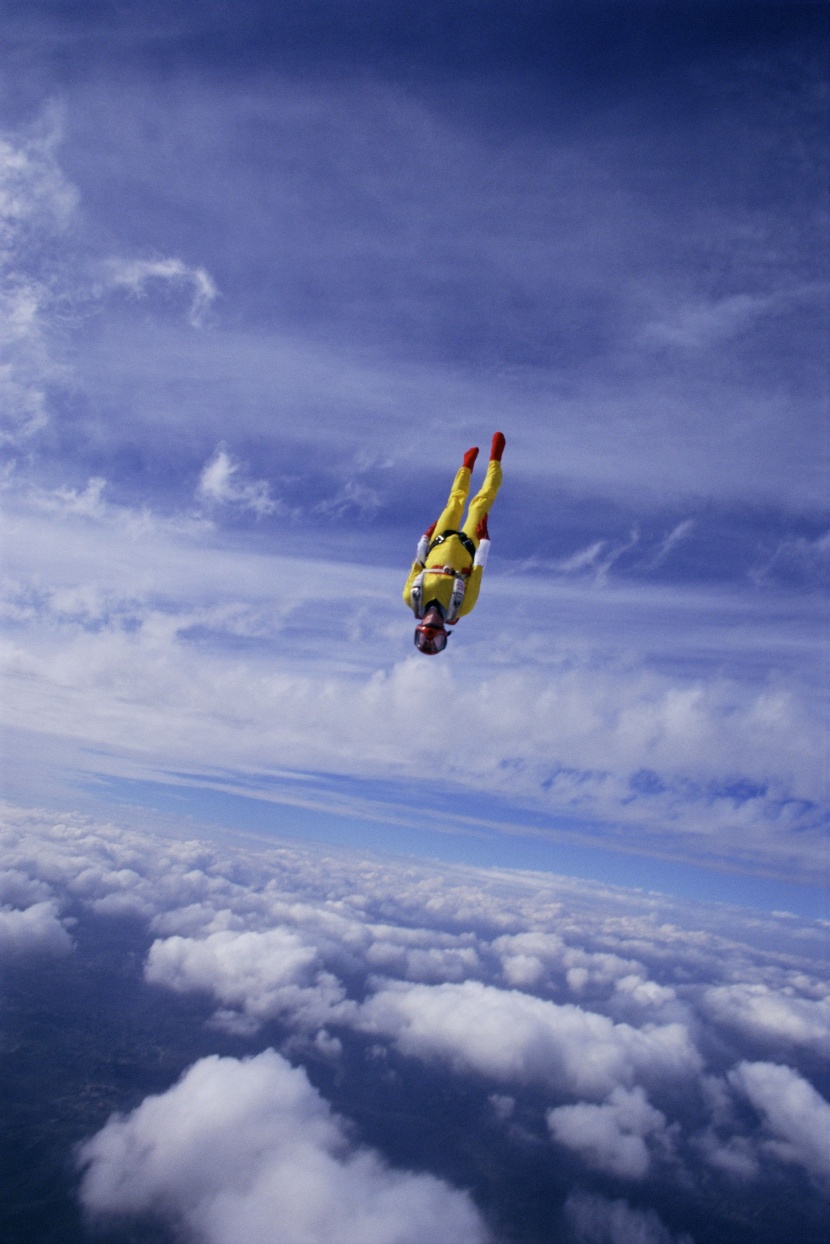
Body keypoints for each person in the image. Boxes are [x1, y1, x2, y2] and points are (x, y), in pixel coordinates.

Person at [404, 432, 505, 654]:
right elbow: (477, 572)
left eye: (425, 635)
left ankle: (466, 465)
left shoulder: (412, 597)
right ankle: (495, 460)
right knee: (480, 504)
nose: (431, 632)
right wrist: (484, 541)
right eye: (436, 638)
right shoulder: (462, 606)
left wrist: (424, 538)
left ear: (419, 628)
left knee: (454, 503)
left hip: (439, 542)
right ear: (443, 631)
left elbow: (417, 565)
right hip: (469, 545)